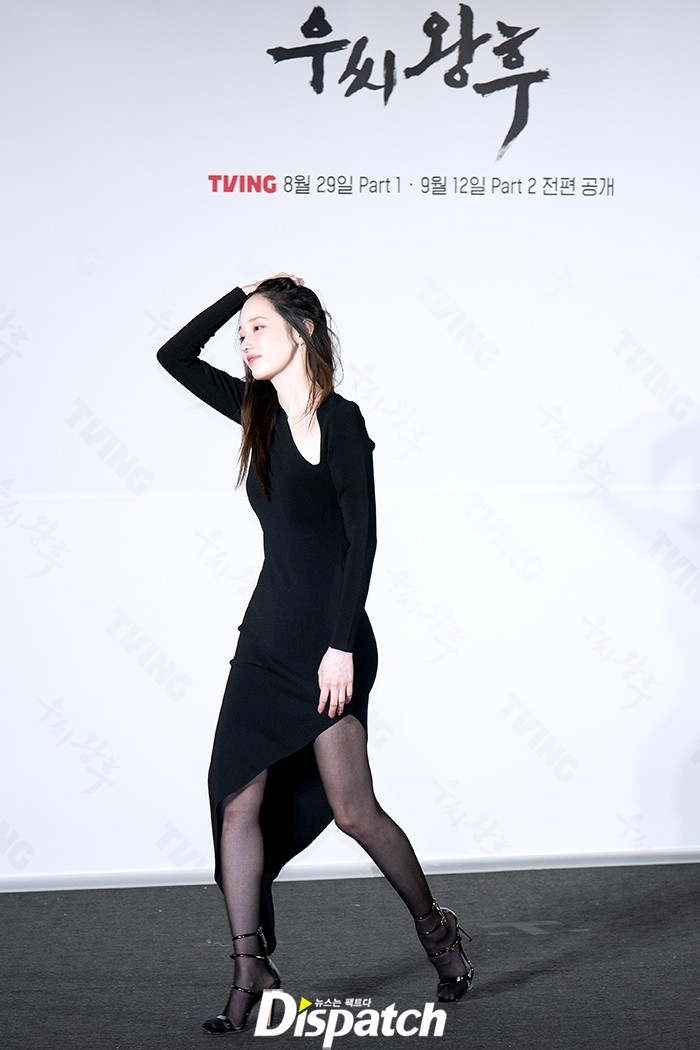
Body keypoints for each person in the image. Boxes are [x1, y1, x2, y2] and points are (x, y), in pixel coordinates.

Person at [156, 273, 473, 1034]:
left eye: (259, 327)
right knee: (236, 799)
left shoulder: (343, 420)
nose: (245, 342)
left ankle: (438, 931)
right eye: (242, 333)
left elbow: (361, 542)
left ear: (300, 333)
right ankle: (249, 970)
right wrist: (239, 294)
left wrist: (340, 646)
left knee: (354, 810)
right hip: (265, 642)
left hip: (331, 643)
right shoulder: (254, 412)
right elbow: (173, 356)